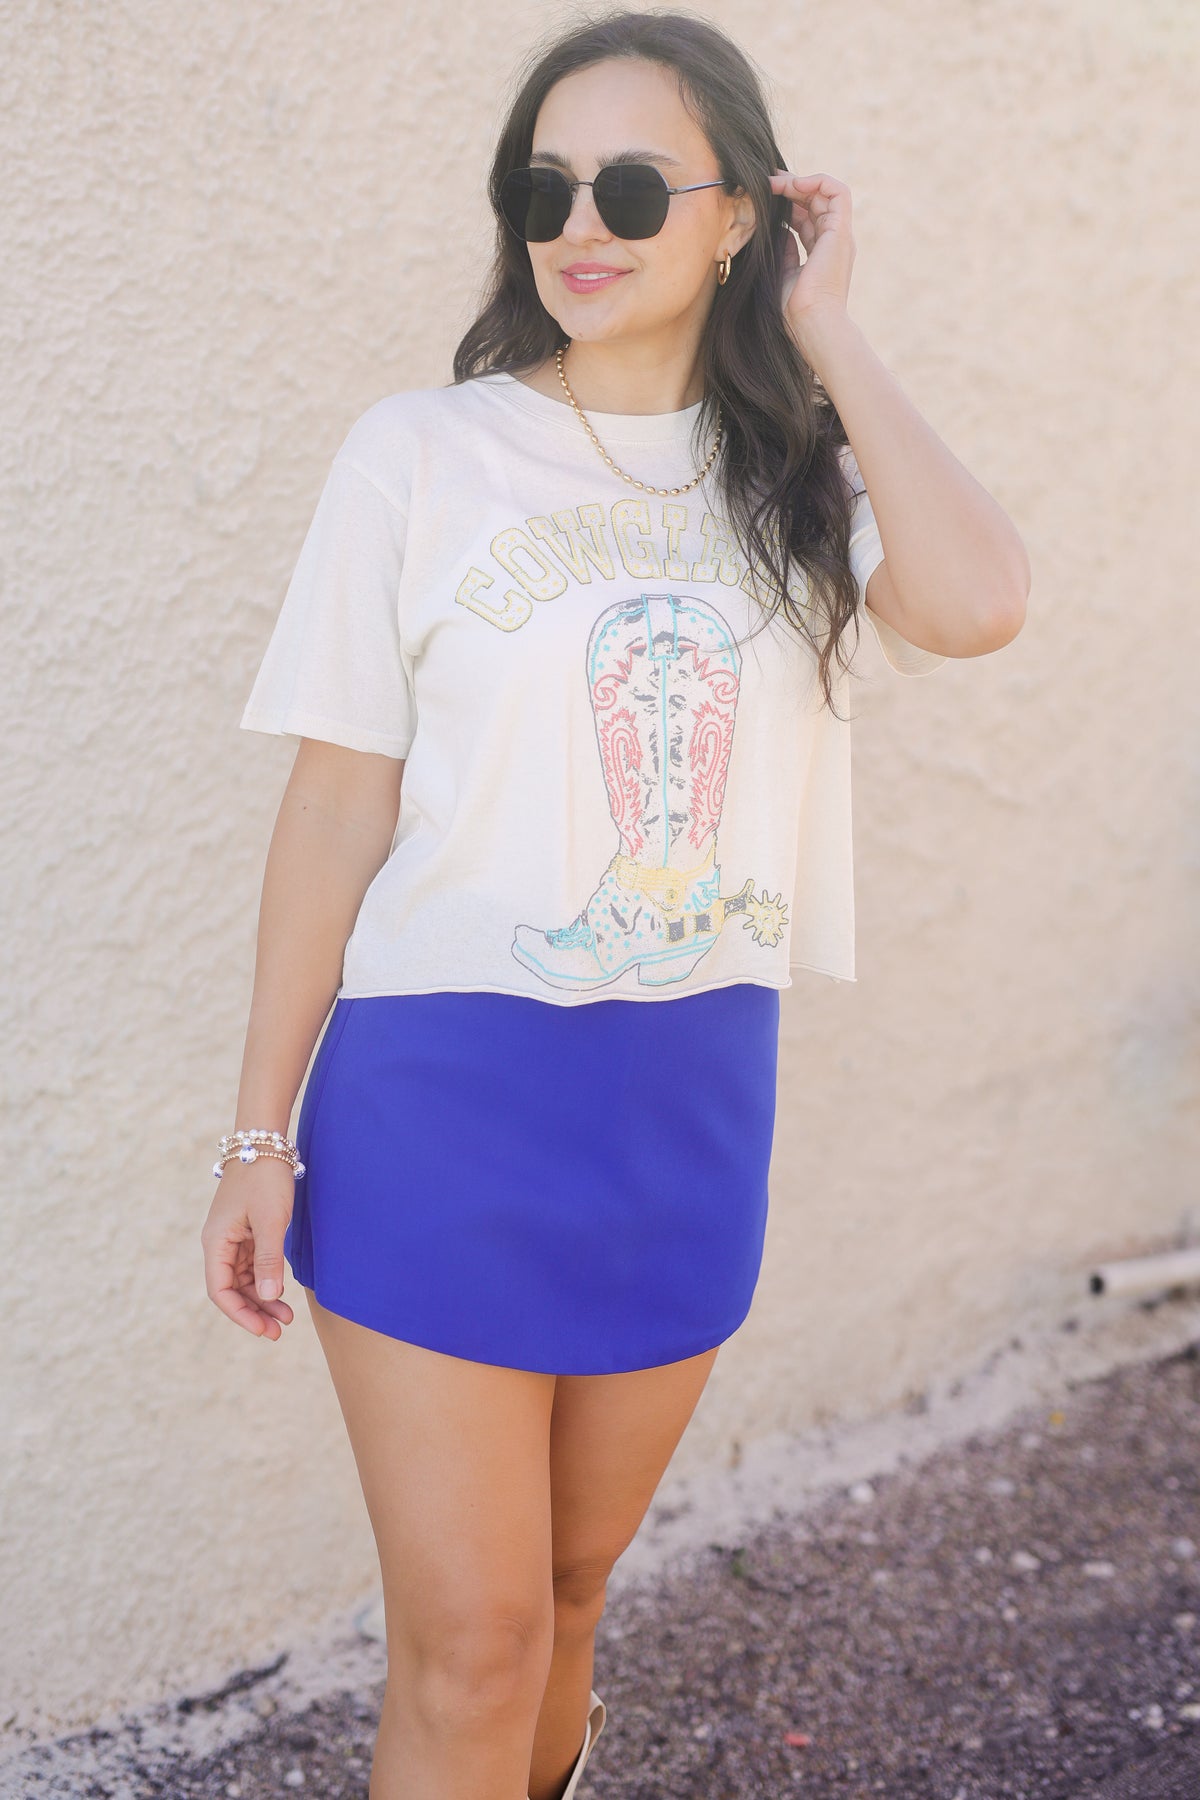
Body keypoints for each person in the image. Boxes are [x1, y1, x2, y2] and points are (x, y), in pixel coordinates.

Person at [200, 9, 1029, 1799]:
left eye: (639, 186)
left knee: (573, 1598)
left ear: (742, 215)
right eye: (545, 186)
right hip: (442, 1091)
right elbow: (336, 801)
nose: (583, 223)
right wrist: (254, 1133)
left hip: (689, 1095)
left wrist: (827, 330)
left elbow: (977, 603)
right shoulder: (418, 457)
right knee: (475, 1634)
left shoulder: (796, 472)